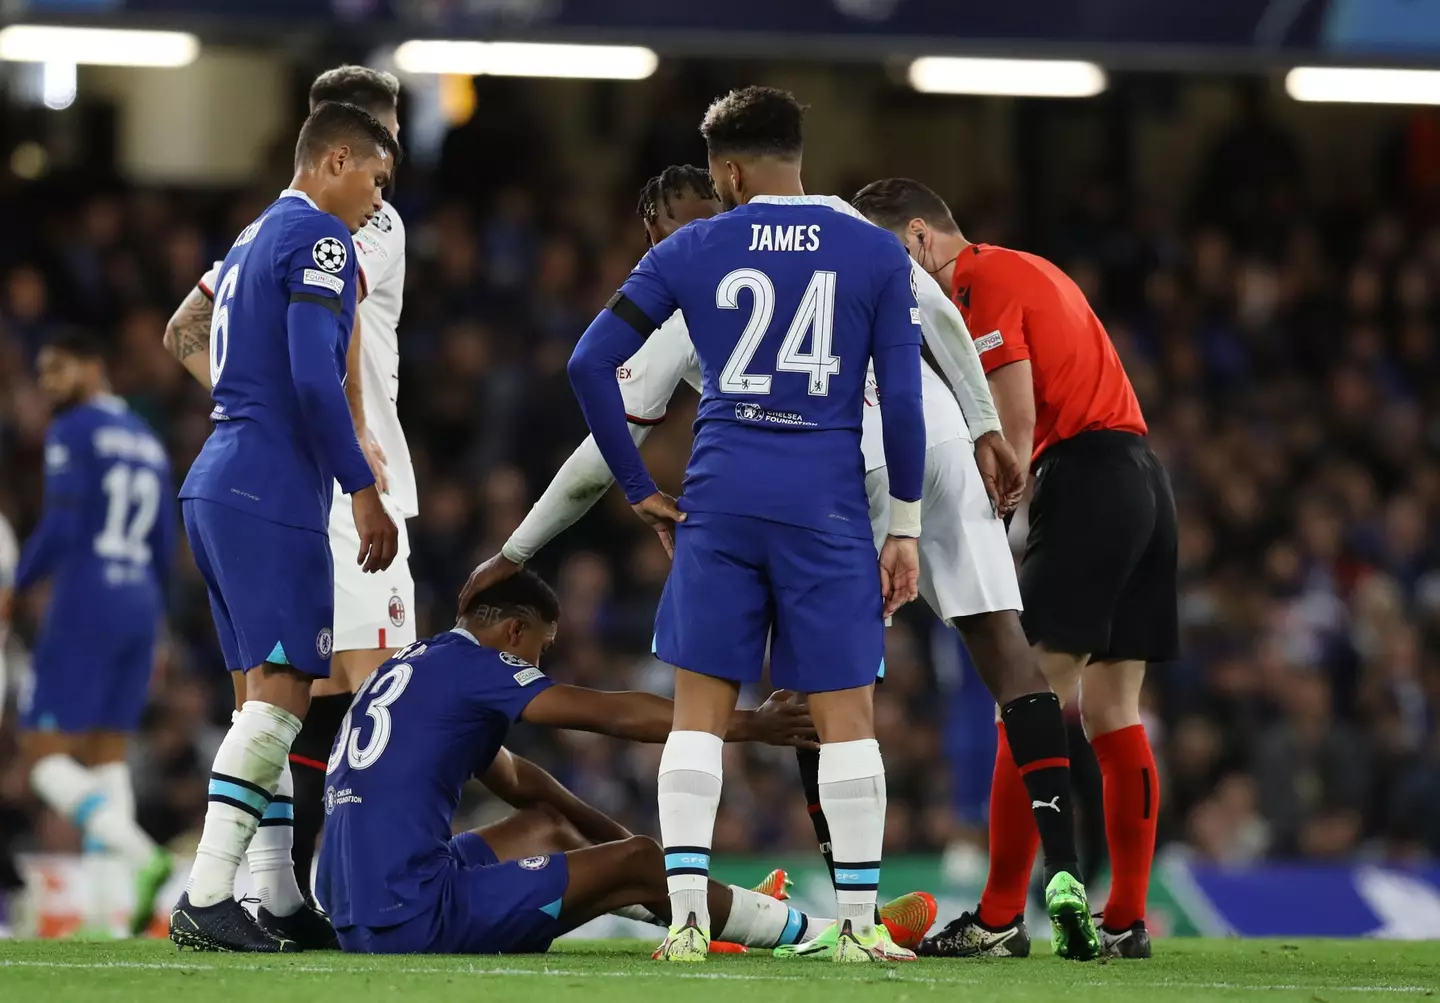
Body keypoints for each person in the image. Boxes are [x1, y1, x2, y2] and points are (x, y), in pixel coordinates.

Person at [463, 165, 1098, 960]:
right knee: (1010, 656)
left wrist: (516, 548)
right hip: (934, 434)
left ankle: (845, 902)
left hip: (838, 470)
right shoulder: (843, 233)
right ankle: (1063, 873)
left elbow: (598, 450)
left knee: (817, 689)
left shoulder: (698, 284)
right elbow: (935, 307)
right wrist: (983, 427)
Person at [566, 86, 927, 964]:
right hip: (827, 503)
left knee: (699, 715)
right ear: (794, 154)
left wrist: (637, 486)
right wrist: (905, 526)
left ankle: (688, 920)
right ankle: (855, 928)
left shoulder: (696, 245)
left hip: (721, 497)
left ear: (727, 169)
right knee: (846, 718)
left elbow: (590, 362)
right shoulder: (873, 254)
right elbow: (906, 406)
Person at [851, 178, 1179, 960]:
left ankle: (999, 916)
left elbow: (1016, 415)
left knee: (1023, 691)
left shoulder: (980, 283)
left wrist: (987, 524)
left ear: (921, 237)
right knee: (1113, 709)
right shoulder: (1027, 267)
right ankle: (1126, 915)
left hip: (1087, 479)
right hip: (1142, 477)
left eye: (888, 256)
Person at [164, 63, 413, 913]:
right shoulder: (321, 239)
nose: (378, 199)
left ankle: (266, 893)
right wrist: (362, 488)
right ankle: (207, 895)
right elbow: (317, 378)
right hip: (271, 485)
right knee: (280, 701)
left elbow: (188, 332)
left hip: (220, 473)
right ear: (337, 158)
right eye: (375, 179)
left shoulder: (248, 237)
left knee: (257, 703)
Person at [317, 569, 829, 956]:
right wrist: (750, 726)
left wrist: (626, 849)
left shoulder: (420, 664)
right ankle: (804, 930)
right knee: (640, 861)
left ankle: (694, 901)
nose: (538, 664)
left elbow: (522, 783)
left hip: (350, 902)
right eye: (542, 647)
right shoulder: (479, 668)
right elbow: (610, 713)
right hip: (409, 913)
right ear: (515, 632)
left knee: (556, 830)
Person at [9, 331, 175, 938]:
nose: (51, 383)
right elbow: (163, 548)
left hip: (84, 603)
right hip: (139, 606)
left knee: (41, 760)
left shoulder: (73, 430)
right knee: (107, 758)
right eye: (44, 372)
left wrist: (17, 584)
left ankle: (143, 856)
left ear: (92, 367)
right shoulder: (149, 442)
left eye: (60, 368)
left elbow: (60, 523)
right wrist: (157, 621)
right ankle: (118, 911)